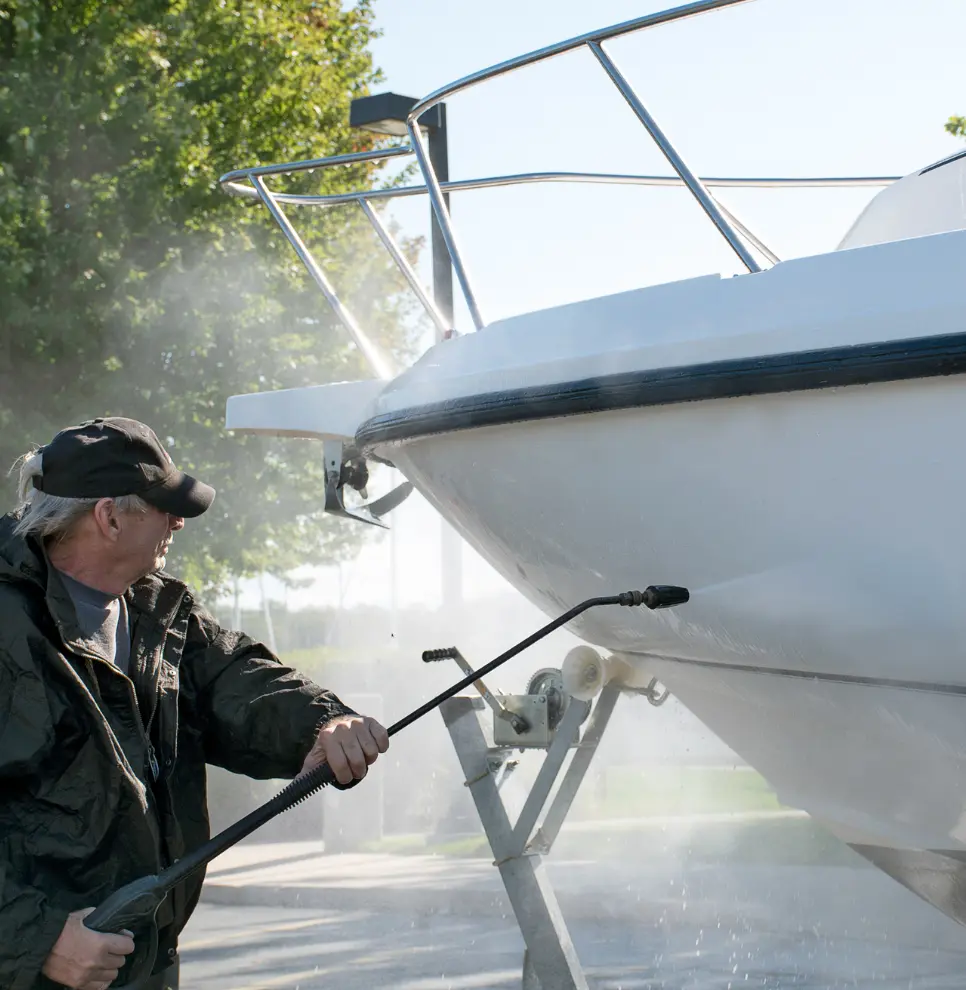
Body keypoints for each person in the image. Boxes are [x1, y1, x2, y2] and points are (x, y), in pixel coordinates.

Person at [0, 417, 390, 990]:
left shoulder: (158, 610)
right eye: (164, 507)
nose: (179, 522)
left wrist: (324, 722)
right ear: (108, 517)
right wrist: (36, 940)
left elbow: (239, 680)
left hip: (145, 969)